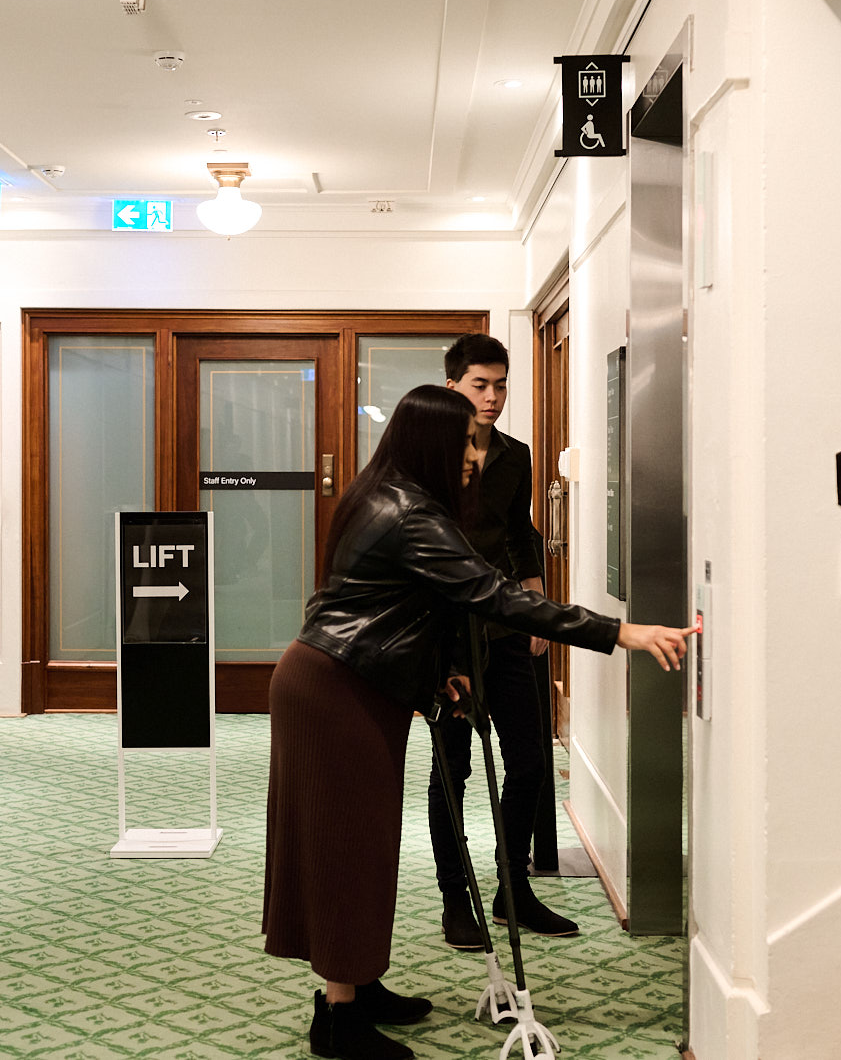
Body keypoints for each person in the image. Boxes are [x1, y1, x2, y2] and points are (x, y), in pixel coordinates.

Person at [262, 384, 691, 1060]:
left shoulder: (386, 493)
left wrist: (438, 672)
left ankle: (357, 985)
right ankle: (339, 1019)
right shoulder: (408, 511)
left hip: (348, 680)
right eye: (463, 440)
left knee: (362, 844)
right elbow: (493, 594)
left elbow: (395, 603)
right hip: (337, 689)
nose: (473, 452)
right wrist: (621, 632)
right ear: (431, 441)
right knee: (344, 848)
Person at [427, 333, 575, 948]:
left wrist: (538, 607)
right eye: (480, 385)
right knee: (453, 768)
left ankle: (514, 888)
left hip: (508, 624)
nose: (493, 397)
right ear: (452, 387)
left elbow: (521, 531)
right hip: (450, 636)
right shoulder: (429, 458)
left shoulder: (515, 455)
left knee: (532, 761)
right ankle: (455, 900)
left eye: (501, 384)